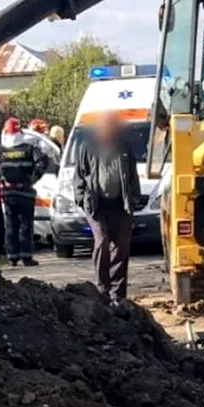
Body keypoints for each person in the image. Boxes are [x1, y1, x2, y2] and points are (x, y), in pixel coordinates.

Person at [73, 110, 142, 305]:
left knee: (121, 248)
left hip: (121, 205)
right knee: (102, 241)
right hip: (96, 205)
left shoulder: (124, 147)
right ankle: (103, 290)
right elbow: (79, 175)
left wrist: (134, 197)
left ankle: (118, 295)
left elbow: (132, 175)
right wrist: (81, 198)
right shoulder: (88, 147)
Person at [0, 117, 49, 266]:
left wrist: (0, 179)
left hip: (8, 192)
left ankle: (12, 257)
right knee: (25, 225)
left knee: (10, 225)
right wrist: (33, 178)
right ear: (20, 131)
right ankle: (26, 257)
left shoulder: (1, 150)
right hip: (25, 192)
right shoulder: (29, 148)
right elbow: (43, 161)